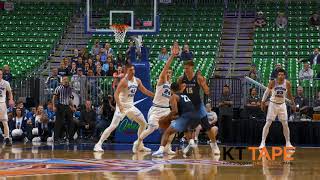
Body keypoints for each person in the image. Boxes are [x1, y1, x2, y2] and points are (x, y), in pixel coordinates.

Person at [94, 63, 154, 152]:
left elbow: (145, 91)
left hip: (130, 106)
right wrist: (120, 106)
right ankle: (98, 144)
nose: (133, 71)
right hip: (121, 106)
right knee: (113, 126)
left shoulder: (137, 80)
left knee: (144, 124)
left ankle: (139, 144)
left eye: (134, 70)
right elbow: (116, 94)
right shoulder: (123, 81)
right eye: (131, 70)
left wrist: (154, 95)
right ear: (126, 71)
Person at [136, 43, 179, 154]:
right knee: (152, 128)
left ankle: (168, 147)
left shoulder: (171, 86)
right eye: (167, 72)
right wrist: (172, 56)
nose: (168, 73)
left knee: (173, 127)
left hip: (166, 110)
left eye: (170, 72)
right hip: (156, 109)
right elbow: (165, 68)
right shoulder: (160, 82)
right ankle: (138, 143)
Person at [176, 60, 219, 154]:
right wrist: (180, 90)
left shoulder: (199, 78)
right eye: (184, 68)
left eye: (187, 68)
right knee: (185, 128)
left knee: (207, 126)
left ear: (192, 67)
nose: (185, 70)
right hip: (186, 106)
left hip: (198, 106)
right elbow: (177, 93)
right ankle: (190, 143)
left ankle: (214, 145)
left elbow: (207, 92)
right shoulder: (181, 79)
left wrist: (204, 85)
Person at [259, 69, 295, 149]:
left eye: (282, 75)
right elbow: (266, 93)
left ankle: (288, 143)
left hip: (282, 104)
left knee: (285, 124)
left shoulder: (287, 83)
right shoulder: (273, 82)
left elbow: (289, 94)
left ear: (284, 76)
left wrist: (293, 103)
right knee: (268, 123)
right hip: (273, 104)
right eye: (279, 74)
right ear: (277, 75)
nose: (281, 76)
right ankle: (263, 142)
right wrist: (262, 102)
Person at [52, 76, 76, 143]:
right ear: (62, 81)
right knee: (58, 123)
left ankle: (71, 138)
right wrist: (54, 106)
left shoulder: (70, 88)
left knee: (71, 121)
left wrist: (73, 107)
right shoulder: (58, 88)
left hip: (67, 106)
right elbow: (54, 98)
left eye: (67, 79)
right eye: (64, 79)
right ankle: (56, 139)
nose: (66, 81)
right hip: (60, 106)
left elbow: (70, 99)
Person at [0, 69, 15, 145]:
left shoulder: (6, 83)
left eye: (0, 74)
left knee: (4, 121)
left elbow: (10, 92)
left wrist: (11, 99)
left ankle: (7, 138)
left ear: (2, 75)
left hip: (2, 103)